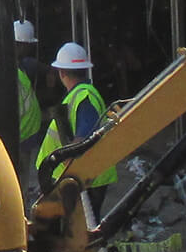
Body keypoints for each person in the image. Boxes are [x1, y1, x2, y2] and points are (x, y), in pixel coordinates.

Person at [37, 42, 117, 217]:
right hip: (79, 178)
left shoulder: (84, 97)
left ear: (62, 72)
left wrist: (66, 162)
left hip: (84, 179)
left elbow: (82, 140)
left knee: (79, 234)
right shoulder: (80, 95)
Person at [11, 20, 49, 196]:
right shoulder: (9, 72)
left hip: (23, 137)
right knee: (19, 183)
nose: (30, 49)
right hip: (19, 138)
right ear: (20, 45)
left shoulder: (17, 66)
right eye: (28, 46)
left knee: (21, 181)